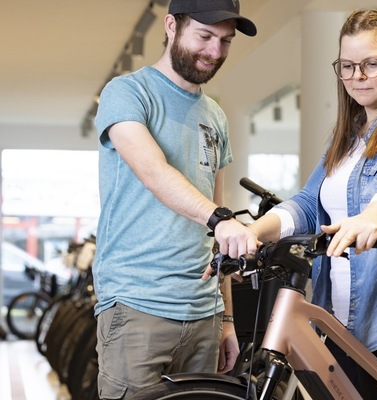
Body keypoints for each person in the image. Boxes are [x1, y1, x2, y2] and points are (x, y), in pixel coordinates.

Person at [242, 8, 377, 399]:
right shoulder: (346, 139)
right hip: (342, 322)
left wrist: (374, 217)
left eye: (372, 64)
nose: (357, 77)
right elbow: (309, 204)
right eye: (347, 66)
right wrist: (253, 233)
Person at [92, 1, 258, 398]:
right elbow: (154, 173)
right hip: (137, 305)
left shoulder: (215, 115)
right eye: (204, 36)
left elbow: (218, 232)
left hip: (204, 315)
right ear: (171, 26)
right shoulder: (127, 92)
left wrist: (228, 317)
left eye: (225, 42)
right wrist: (220, 219)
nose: (215, 52)